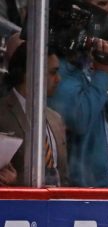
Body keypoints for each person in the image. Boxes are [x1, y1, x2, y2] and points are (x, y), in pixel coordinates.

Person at [47, 0, 108, 187]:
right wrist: (103, 73)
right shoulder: (56, 69)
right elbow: (79, 120)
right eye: (102, 3)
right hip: (84, 187)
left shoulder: (89, 63)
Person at [0, 44, 68, 186]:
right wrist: (16, 185)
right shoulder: (2, 113)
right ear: (30, 73)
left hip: (57, 205)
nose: (58, 79)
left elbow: (63, 176)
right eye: (53, 72)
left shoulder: (56, 119)